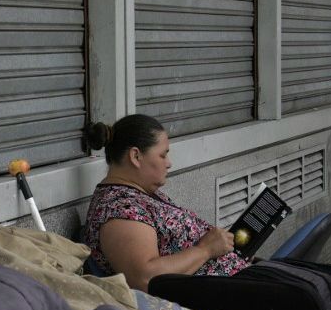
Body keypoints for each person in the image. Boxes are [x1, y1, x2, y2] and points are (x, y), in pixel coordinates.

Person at [83, 114, 247, 291]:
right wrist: (205, 250)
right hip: (223, 299)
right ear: (135, 156)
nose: (169, 164)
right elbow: (145, 278)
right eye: (163, 155)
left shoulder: (141, 194)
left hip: (240, 279)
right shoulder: (120, 210)